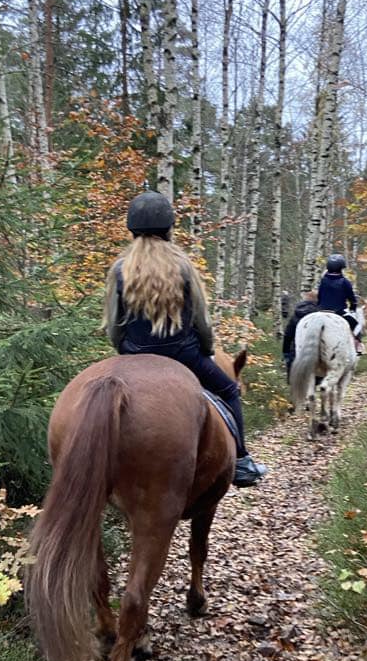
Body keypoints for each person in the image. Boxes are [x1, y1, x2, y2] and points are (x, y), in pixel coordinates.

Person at [103, 191, 267, 488]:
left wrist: (124, 353)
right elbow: (201, 321)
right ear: (169, 227)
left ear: (131, 228)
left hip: (133, 356)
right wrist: (206, 349)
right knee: (229, 390)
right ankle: (242, 462)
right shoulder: (182, 265)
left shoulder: (120, 268)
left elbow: (115, 325)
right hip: (183, 355)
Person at [316, 253, 363, 354]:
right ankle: (358, 346)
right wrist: (352, 309)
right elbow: (352, 300)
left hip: (321, 311)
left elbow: (319, 297)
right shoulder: (345, 282)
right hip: (338, 312)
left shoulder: (323, 281)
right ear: (341, 268)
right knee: (357, 325)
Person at [282, 292, 318, 380]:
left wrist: (285, 352)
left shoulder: (296, 314)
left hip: (297, 350)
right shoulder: (320, 314)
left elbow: (288, 335)